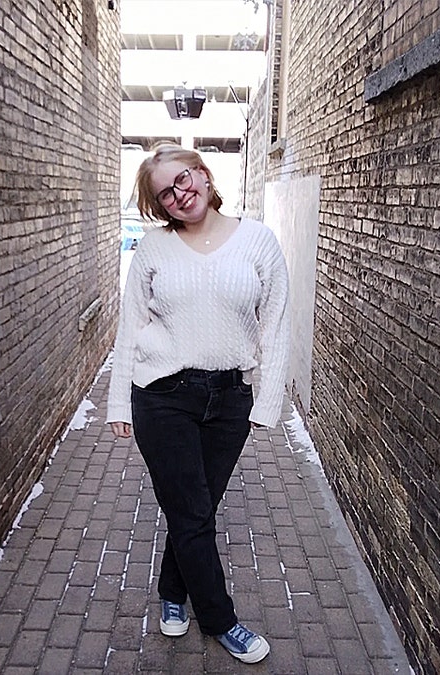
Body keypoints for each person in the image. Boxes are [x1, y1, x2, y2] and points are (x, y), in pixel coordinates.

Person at [105, 142, 289, 665]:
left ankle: (171, 590)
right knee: (191, 513)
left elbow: (276, 325)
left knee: (197, 510)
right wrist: (119, 403)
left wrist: (266, 402)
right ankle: (221, 621)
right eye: (164, 193)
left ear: (205, 175)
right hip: (162, 398)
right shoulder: (154, 249)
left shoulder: (258, 241)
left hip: (230, 400)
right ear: (158, 205)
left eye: (183, 179)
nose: (178, 194)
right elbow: (130, 326)